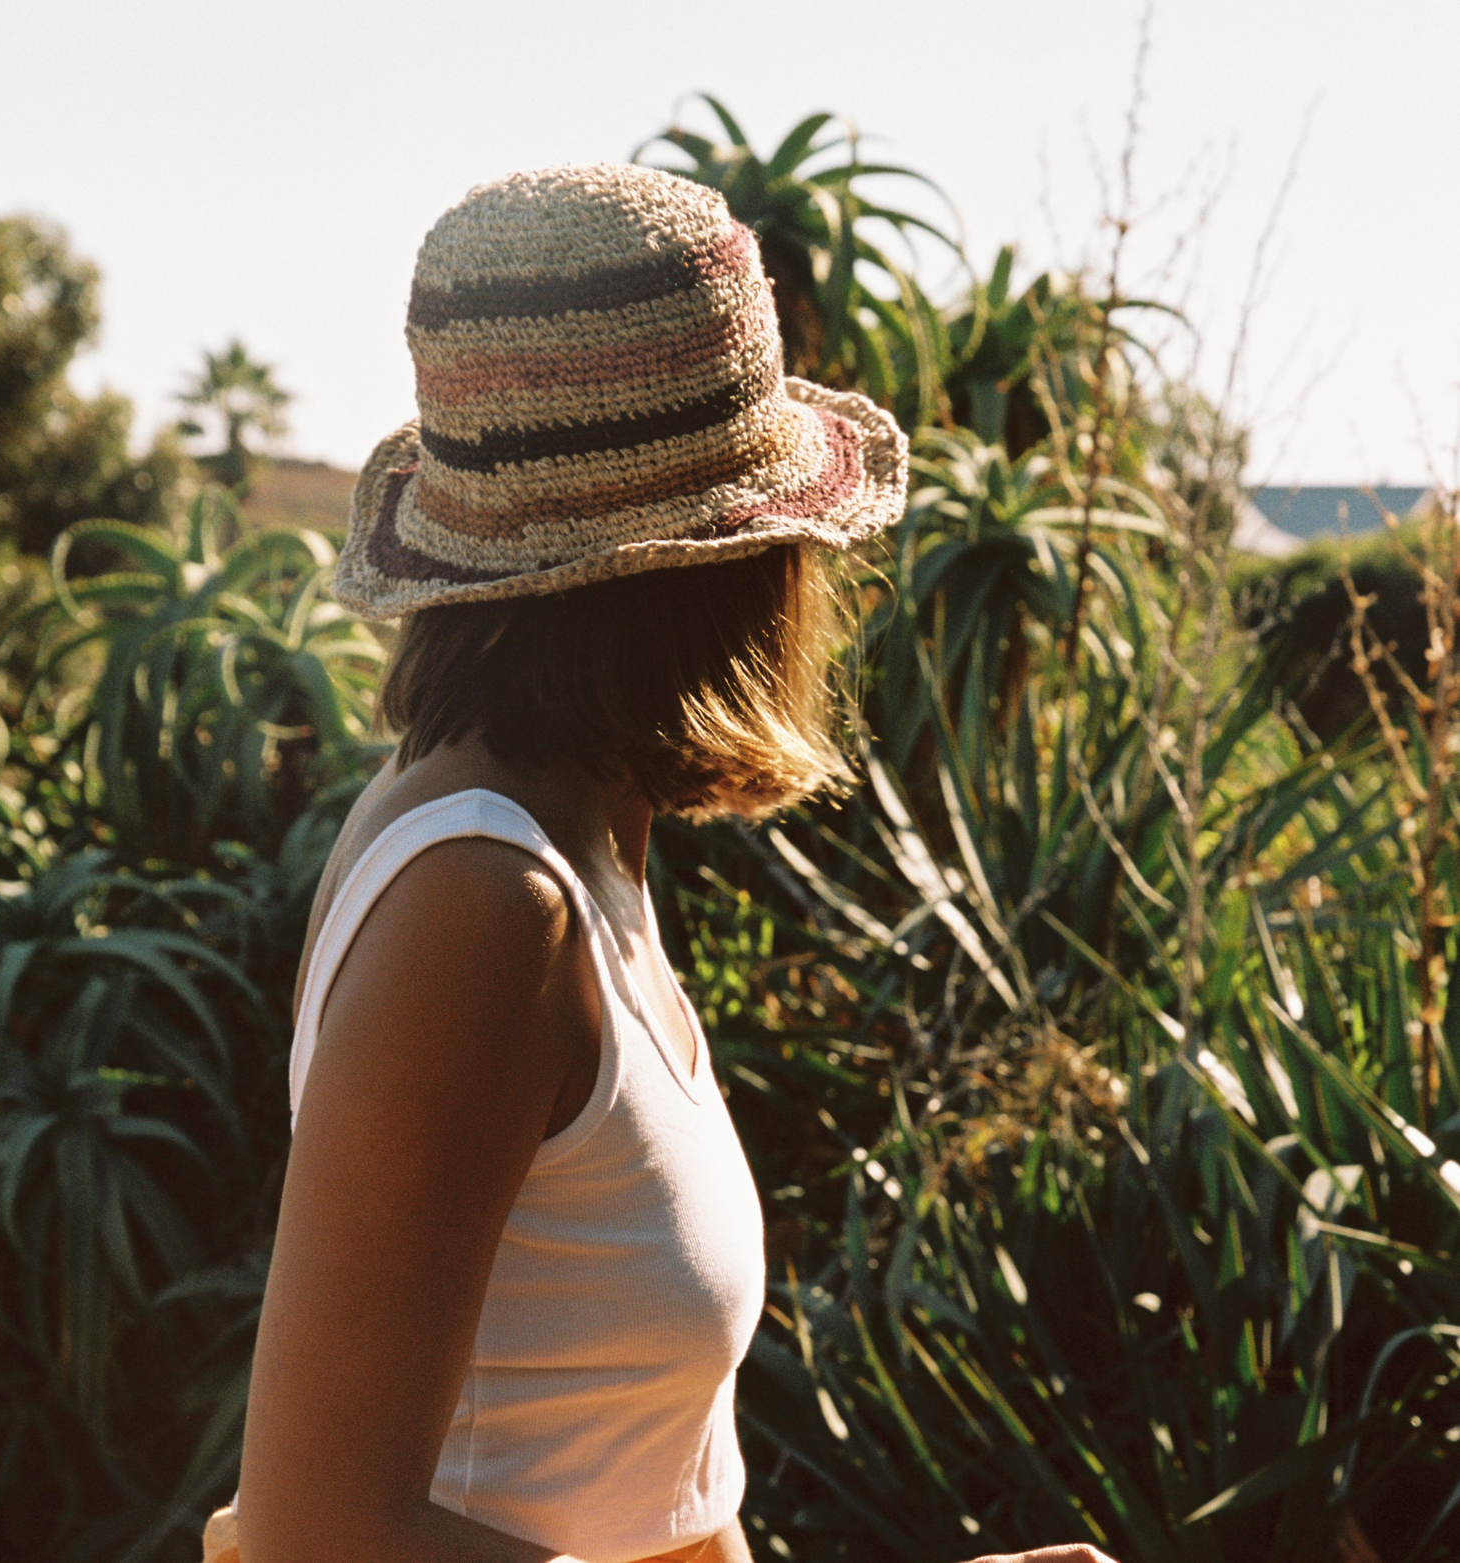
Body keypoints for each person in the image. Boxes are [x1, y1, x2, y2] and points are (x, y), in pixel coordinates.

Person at [220, 164, 1115, 1563]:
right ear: (729, 560)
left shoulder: (572, 840)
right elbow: (312, 1532)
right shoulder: (481, 902)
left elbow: (647, 1505)